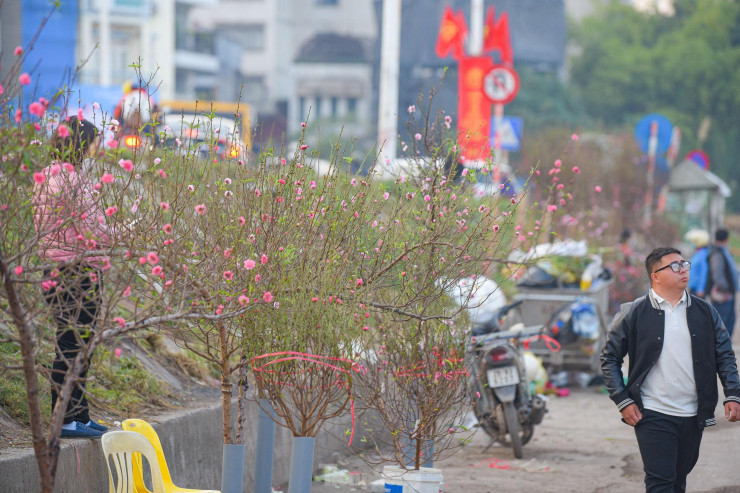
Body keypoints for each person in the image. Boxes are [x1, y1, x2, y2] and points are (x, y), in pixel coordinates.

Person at [601, 246, 740, 492]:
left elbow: (724, 355)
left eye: (685, 264)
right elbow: (610, 357)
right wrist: (623, 400)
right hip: (652, 412)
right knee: (660, 483)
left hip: (693, 413)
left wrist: (733, 393)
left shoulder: (705, 311)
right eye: (675, 266)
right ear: (656, 276)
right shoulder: (633, 312)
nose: (683, 270)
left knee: (678, 480)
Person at [33, 117, 113, 438]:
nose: (99, 145)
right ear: (81, 143)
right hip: (77, 273)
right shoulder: (72, 180)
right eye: (95, 139)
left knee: (72, 343)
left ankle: (77, 415)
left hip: (52, 270)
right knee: (75, 345)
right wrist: (122, 233)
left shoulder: (45, 176)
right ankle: (65, 418)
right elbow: (94, 229)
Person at [706, 228, 738, 338]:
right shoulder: (717, 253)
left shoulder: (722, 251)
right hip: (723, 295)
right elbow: (717, 275)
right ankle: (721, 349)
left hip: (727, 293)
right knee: (723, 322)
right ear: (727, 239)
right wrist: (726, 289)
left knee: (729, 321)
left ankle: (725, 348)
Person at [684, 229, 711, 298]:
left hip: (697, 290)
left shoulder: (702, 254)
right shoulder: (697, 253)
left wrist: (700, 289)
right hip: (693, 288)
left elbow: (704, 272)